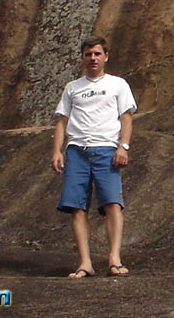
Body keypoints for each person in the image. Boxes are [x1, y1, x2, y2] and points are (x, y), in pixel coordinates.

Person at [51, 36, 136, 278]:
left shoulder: (118, 85)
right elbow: (62, 121)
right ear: (82, 58)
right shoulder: (72, 88)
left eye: (97, 54)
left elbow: (126, 118)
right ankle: (85, 262)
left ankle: (114, 258)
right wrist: (57, 150)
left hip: (107, 149)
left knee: (112, 203)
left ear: (106, 56)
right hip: (77, 150)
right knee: (77, 207)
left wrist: (124, 147)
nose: (93, 58)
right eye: (88, 54)